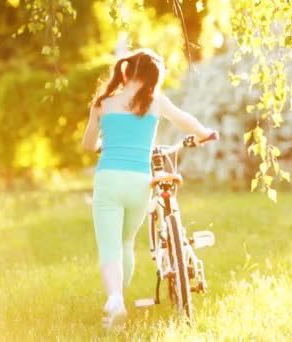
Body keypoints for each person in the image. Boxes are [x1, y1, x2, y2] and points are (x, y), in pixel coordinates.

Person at [81, 48, 216, 329]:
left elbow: (87, 145)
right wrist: (205, 134)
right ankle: (120, 294)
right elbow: (185, 120)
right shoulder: (156, 103)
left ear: (126, 72)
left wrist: (99, 145)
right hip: (140, 183)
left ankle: (115, 299)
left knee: (110, 245)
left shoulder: (103, 104)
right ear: (154, 79)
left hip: (109, 180)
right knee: (126, 241)